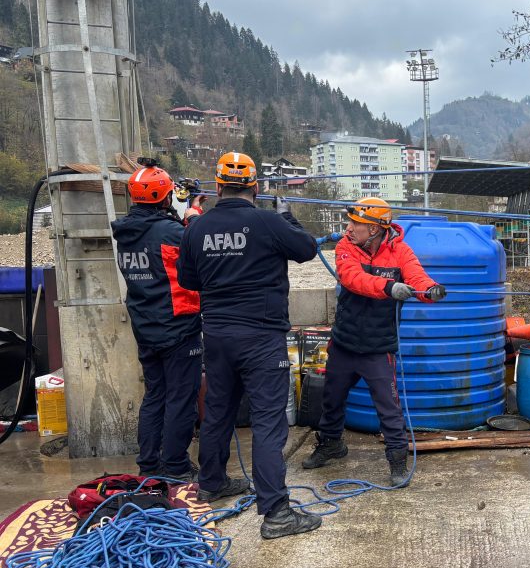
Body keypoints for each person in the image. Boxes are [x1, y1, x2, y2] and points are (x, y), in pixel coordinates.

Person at [178, 152, 321, 540]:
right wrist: (286, 214)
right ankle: (276, 512)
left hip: (218, 336)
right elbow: (307, 249)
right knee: (268, 422)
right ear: (255, 186)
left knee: (218, 413)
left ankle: (211, 482)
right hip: (260, 337)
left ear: (218, 185)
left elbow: (189, 281)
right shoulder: (267, 221)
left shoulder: (196, 228)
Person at [302, 197, 445, 486]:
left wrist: (430, 290)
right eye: (351, 222)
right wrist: (390, 287)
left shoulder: (401, 252)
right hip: (344, 344)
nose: (349, 227)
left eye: (357, 223)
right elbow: (352, 279)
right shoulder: (345, 247)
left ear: (377, 229)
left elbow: (417, 276)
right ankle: (331, 445)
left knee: (388, 407)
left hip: (378, 348)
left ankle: (396, 460)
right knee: (332, 400)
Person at [111, 162, 201, 481]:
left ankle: (149, 464)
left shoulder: (125, 233)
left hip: (146, 328)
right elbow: (196, 254)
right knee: (181, 399)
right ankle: (176, 467)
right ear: (164, 197)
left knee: (155, 396)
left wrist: (184, 211)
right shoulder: (171, 232)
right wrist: (193, 216)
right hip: (178, 328)